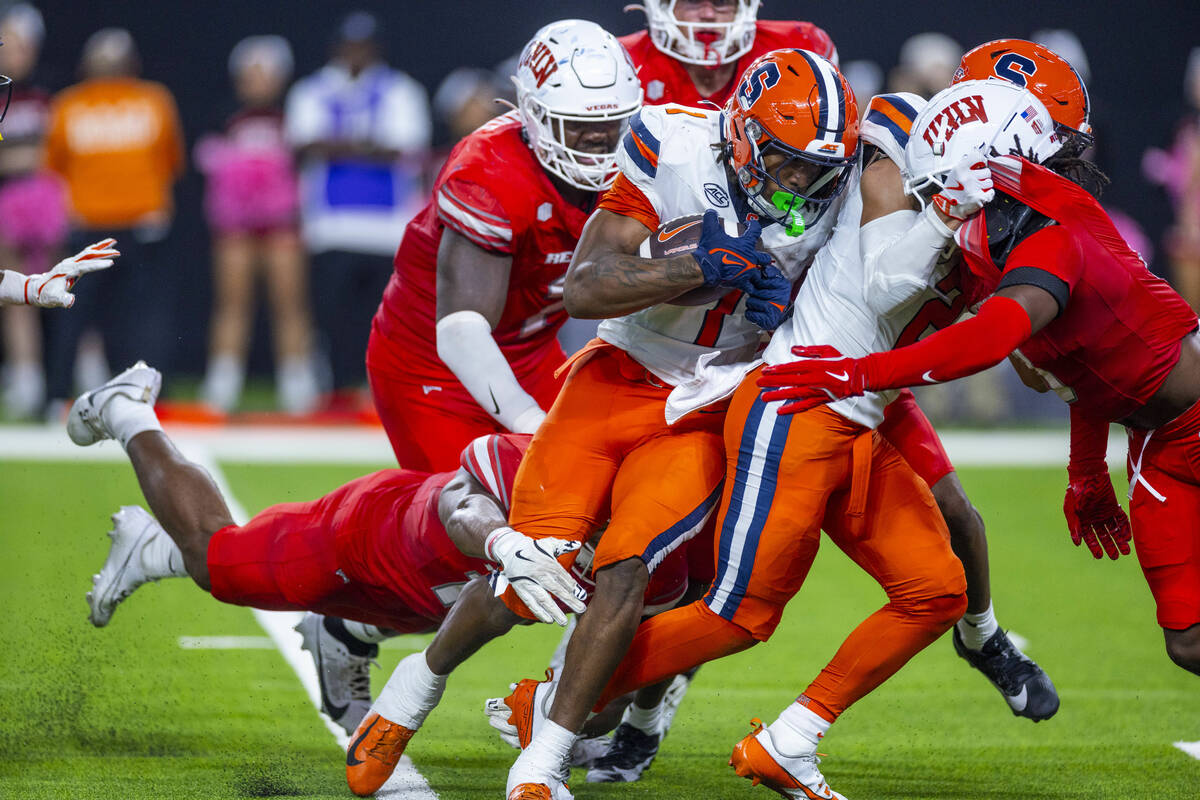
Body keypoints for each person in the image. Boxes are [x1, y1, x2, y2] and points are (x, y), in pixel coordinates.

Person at [494, 49, 865, 800]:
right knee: (531, 566)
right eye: (786, 163)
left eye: (814, 170)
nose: (800, 185)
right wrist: (698, 267)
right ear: (742, 136)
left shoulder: (847, 189)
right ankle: (415, 695)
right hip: (620, 372)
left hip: (716, 398)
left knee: (637, 569)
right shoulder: (673, 143)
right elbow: (585, 287)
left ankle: (545, 760)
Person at [757, 77, 1200, 681]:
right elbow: (1081, 371)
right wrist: (1088, 468)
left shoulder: (1054, 227)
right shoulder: (1006, 227)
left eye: (952, 181)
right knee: (1188, 642)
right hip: (1153, 445)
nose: (948, 199)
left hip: (1190, 416)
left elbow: (990, 340)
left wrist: (856, 373)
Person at [367, 19, 642, 471]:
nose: (599, 139)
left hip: (532, 356)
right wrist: (528, 420)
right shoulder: (489, 174)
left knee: (598, 492)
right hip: (431, 369)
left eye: (611, 122)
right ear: (533, 113)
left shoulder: (635, 160)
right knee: (473, 518)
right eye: (577, 124)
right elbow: (460, 332)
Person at [285, 11, 431, 410]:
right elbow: (302, 144)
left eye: (364, 46)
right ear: (338, 47)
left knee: (384, 321)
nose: (357, 53)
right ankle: (332, 392)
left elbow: (405, 148)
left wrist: (338, 145)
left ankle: (379, 393)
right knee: (332, 319)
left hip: (386, 228)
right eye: (350, 45)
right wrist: (369, 147)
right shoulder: (312, 90)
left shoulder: (402, 90)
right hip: (330, 226)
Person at [42, 27, 184, 409]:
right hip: (97, 224)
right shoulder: (71, 104)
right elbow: (54, 168)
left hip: (134, 223)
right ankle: (59, 392)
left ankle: (143, 393)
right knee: (79, 312)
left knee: (138, 318)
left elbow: (169, 159)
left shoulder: (150, 100)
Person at [196, 35, 318, 415]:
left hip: (283, 224)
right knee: (232, 302)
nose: (259, 80)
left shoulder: (296, 118)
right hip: (236, 226)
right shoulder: (223, 117)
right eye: (252, 72)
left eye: (266, 72)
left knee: (290, 303)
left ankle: (298, 386)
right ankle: (222, 384)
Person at [0, 3, 67, 417]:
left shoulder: (50, 91)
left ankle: (80, 373)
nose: (13, 52)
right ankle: (26, 378)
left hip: (49, 199)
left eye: (21, 44)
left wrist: (26, 157)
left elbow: (62, 152)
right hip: (7, 200)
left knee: (67, 282)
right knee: (14, 288)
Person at [620, 0, 837, 106]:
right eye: (693, 2)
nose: (707, 14)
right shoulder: (625, 61)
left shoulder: (796, 46)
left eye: (721, 2)